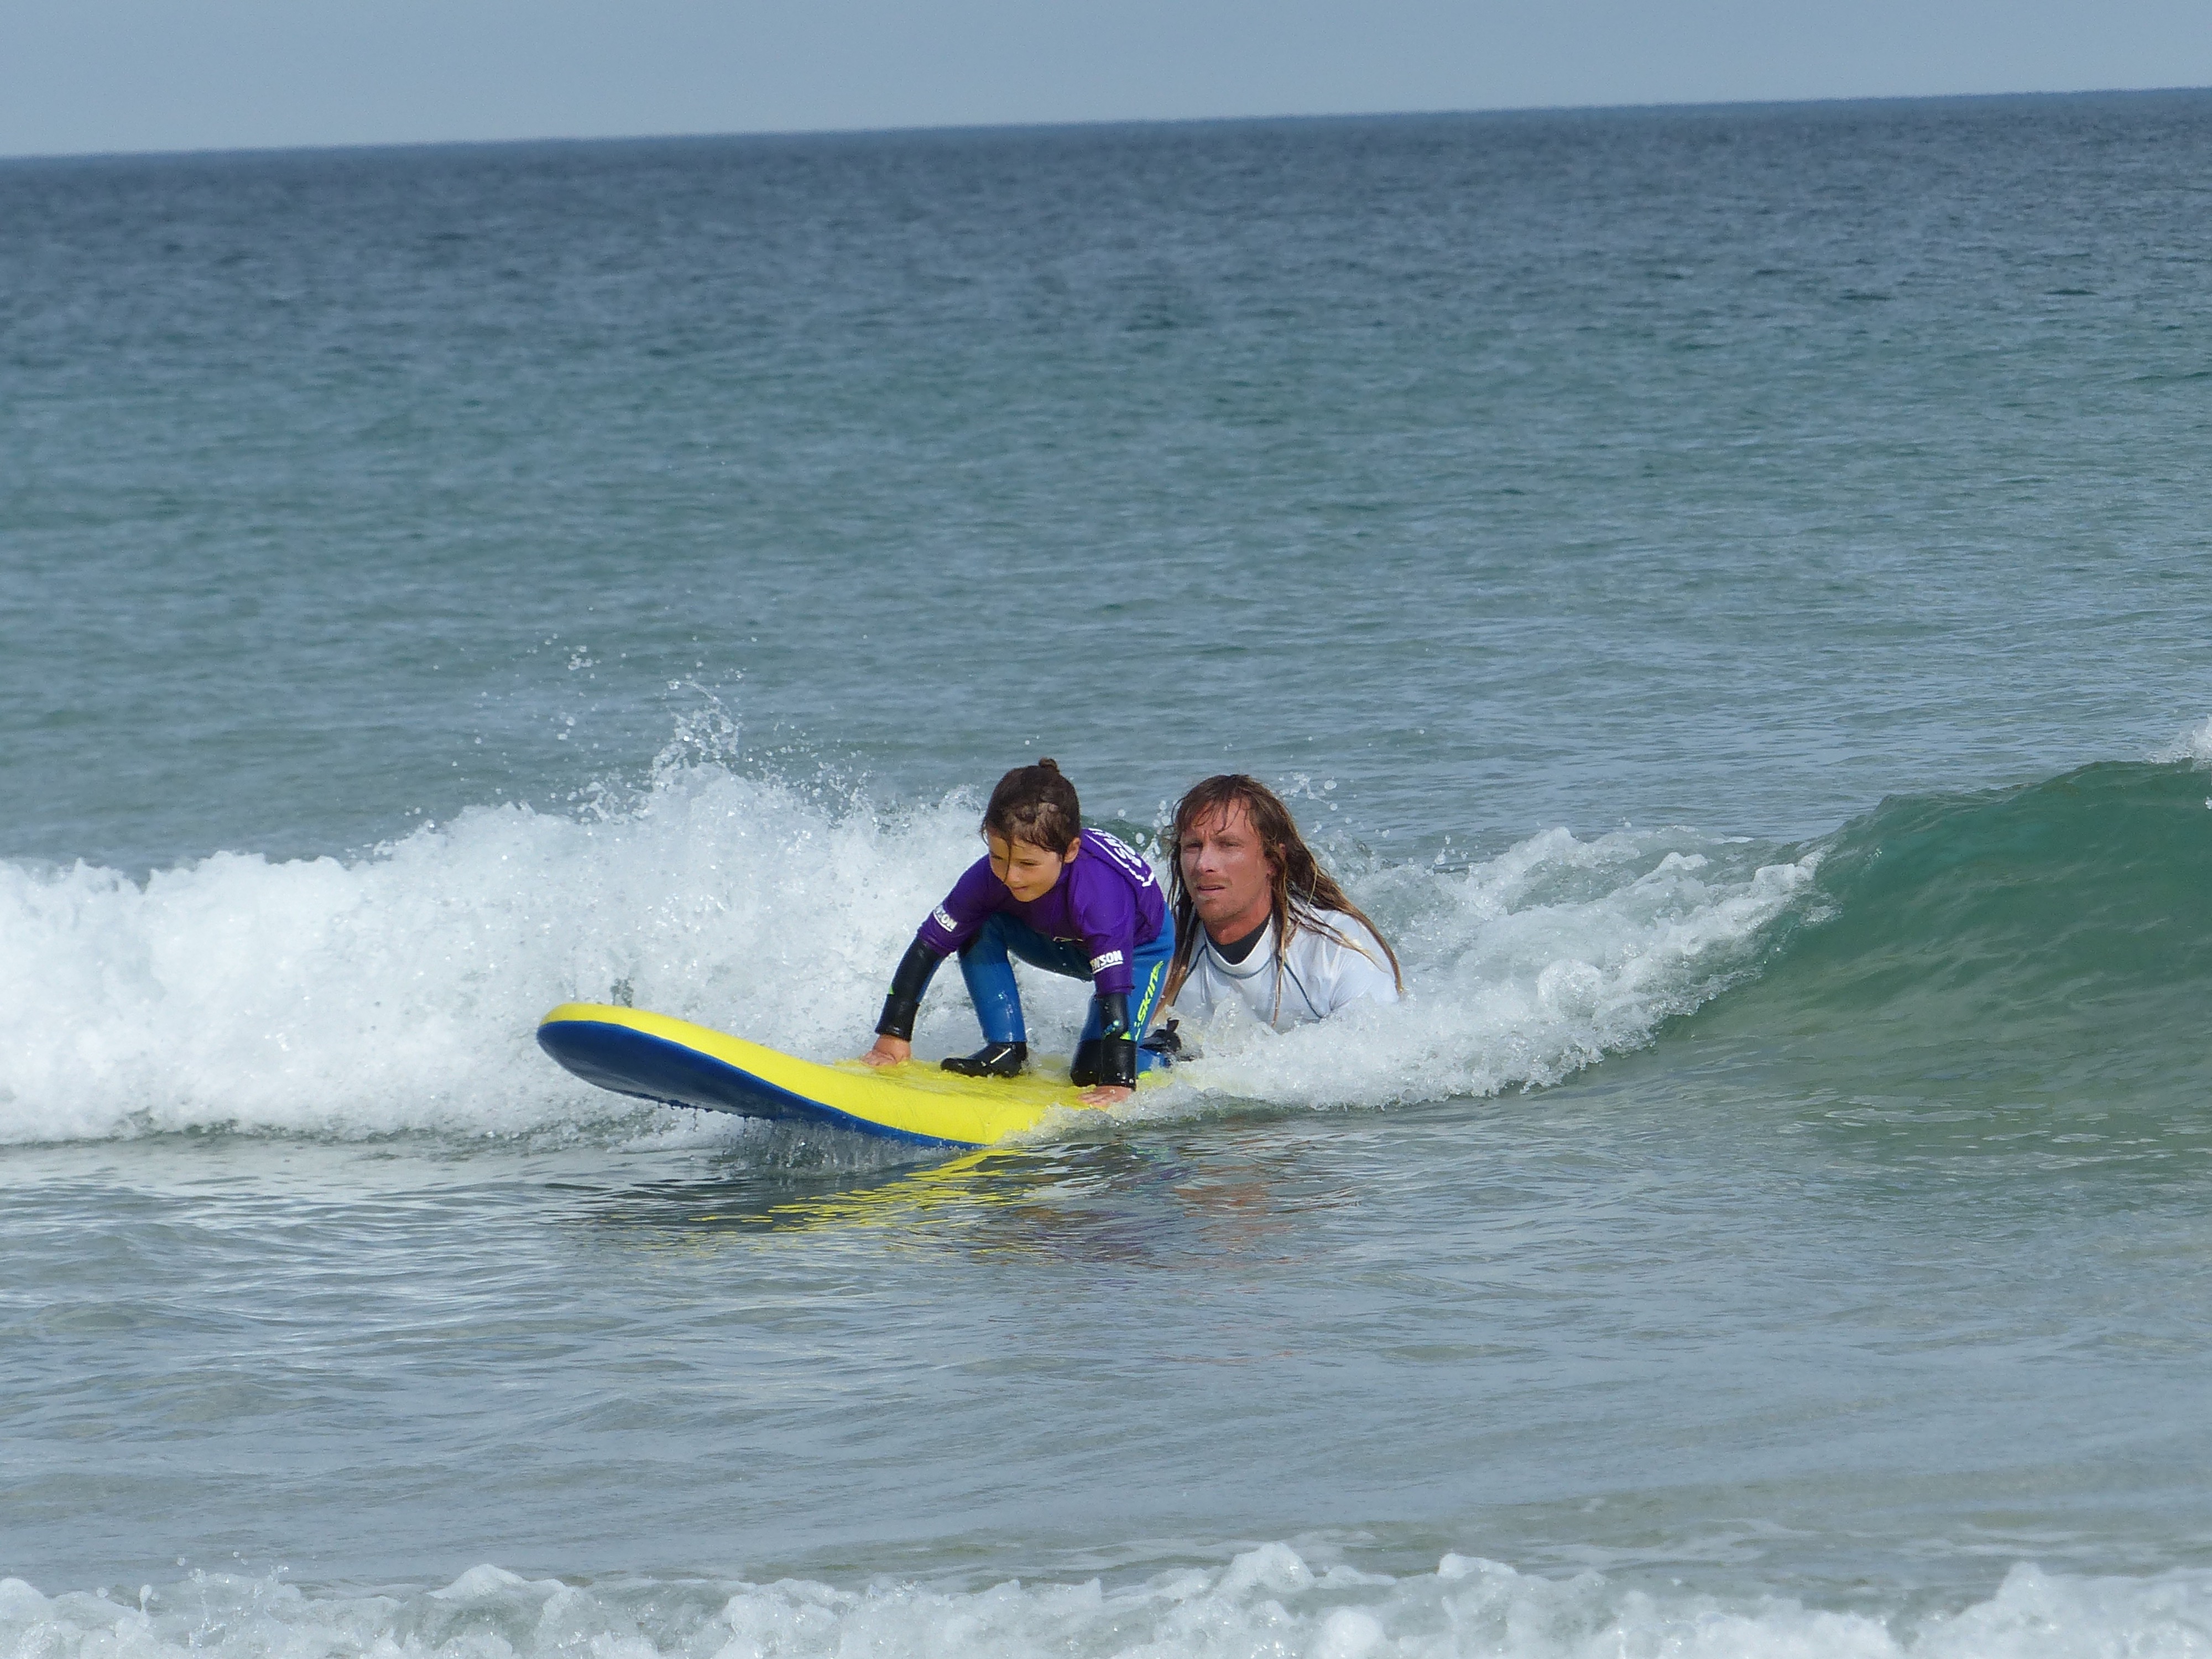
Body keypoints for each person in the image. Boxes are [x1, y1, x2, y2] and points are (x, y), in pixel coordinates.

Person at [862, 759, 1174, 1104]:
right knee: (976, 923)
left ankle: (1162, 1051)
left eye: (1028, 864)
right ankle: (1006, 1047)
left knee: (1090, 1073)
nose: (1011, 877)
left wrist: (1118, 1080)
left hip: (1138, 950)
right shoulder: (988, 877)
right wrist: (893, 1036)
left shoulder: (1099, 895)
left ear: (1070, 850)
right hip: (1058, 939)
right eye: (998, 857)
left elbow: (1113, 985)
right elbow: (930, 944)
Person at [1158, 774, 1401, 1035]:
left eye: (1228, 845)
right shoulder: (1159, 952)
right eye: (1193, 846)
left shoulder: (1336, 952)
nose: (1203, 864)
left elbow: (1379, 1055)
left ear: (1273, 861)